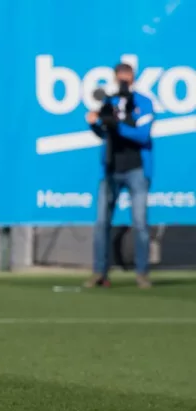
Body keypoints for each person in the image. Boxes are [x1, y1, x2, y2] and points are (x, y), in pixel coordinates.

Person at [84, 62, 154, 289]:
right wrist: (95, 124)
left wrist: (119, 125)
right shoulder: (109, 101)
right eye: (120, 76)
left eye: (128, 75)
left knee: (140, 223)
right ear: (115, 77)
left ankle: (142, 273)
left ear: (133, 77)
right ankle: (99, 273)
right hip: (111, 168)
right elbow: (103, 133)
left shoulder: (143, 102)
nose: (124, 79)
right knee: (102, 222)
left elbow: (143, 135)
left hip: (136, 169)